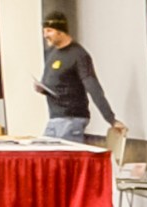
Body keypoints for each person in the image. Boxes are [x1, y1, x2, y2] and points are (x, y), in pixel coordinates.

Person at [36, 11, 127, 143]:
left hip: (71, 119)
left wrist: (111, 119)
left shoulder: (79, 55)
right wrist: (43, 89)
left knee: (64, 155)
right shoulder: (51, 53)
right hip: (55, 118)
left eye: (49, 31)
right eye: (44, 31)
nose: (45, 35)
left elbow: (93, 87)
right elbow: (50, 82)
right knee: (44, 153)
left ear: (61, 31)